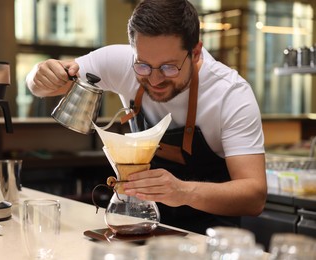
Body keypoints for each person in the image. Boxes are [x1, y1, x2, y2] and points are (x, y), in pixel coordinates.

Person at [26, 0, 267, 235]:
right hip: (144, 227)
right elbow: (42, 84)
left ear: (195, 53)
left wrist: (182, 191)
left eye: (169, 67)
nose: (154, 79)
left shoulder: (230, 94)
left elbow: (254, 197)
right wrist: (40, 74)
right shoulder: (120, 62)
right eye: (143, 66)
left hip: (209, 237)